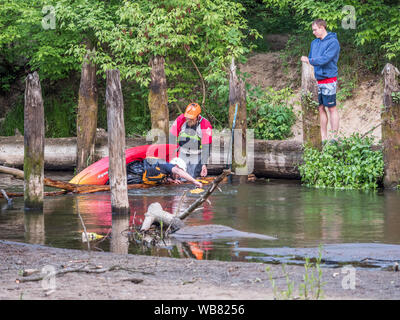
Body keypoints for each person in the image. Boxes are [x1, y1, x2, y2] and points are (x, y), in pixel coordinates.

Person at [301, 19, 340, 143]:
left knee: (331, 108)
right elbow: (311, 58)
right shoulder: (314, 43)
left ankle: (334, 137)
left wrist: (309, 60)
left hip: (329, 79)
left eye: (315, 29)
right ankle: (323, 137)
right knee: (320, 108)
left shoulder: (333, 42)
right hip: (316, 80)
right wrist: (310, 61)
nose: (313, 32)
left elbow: (325, 59)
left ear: (322, 27)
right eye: (313, 30)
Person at [170, 102, 212, 178]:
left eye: (191, 118)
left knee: (193, 177)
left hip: (198, 155)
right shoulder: (180, 119)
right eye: (187, 117)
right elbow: (172, 138)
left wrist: (204, 165)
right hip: (182, 153)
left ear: (197, 116)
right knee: (178, 176)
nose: (188, 119)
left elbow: (207, 146)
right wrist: (174, 158)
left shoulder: (205, 125)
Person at [126, 156, 202, 188]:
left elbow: (158, 176)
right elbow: (178, 171)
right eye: (180, 174)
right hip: (136, 171)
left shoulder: (166, 174)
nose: (180, 176)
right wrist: (194, 181)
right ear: (176, 166)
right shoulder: (166, 165)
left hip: (138, 179)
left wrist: (170, 180)